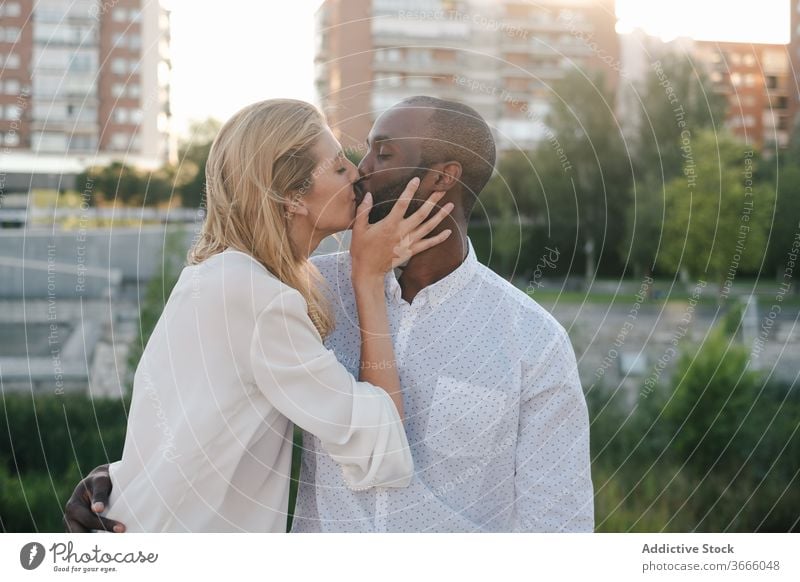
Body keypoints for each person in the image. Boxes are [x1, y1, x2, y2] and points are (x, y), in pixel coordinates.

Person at [65, 96, 594, 533]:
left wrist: (129, 481)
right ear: (292, 196)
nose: (360, 173)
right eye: (348, 160)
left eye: (379, 154)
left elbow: (559, 527)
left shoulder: (532, 342)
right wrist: (127, 479)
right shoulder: (300, 289)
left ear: (441, 178)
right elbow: (194, 404)